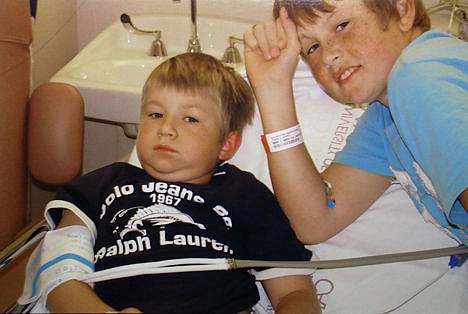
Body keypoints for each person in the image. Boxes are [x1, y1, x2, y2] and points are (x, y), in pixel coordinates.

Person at [19, 52, 320, 313]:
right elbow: (60, 276)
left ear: (227, 144)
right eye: (155, 114)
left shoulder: (246, 196)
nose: (166, 129)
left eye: (190, 119)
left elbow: (296, 294)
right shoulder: (100, 186)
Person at [243, 0, 468, 246]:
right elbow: (315, 221)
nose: (329, 56)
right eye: (312, 47)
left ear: (402, 9)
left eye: (342, 25)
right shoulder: (385, 118)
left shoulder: (419, 76)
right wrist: (271, 90)